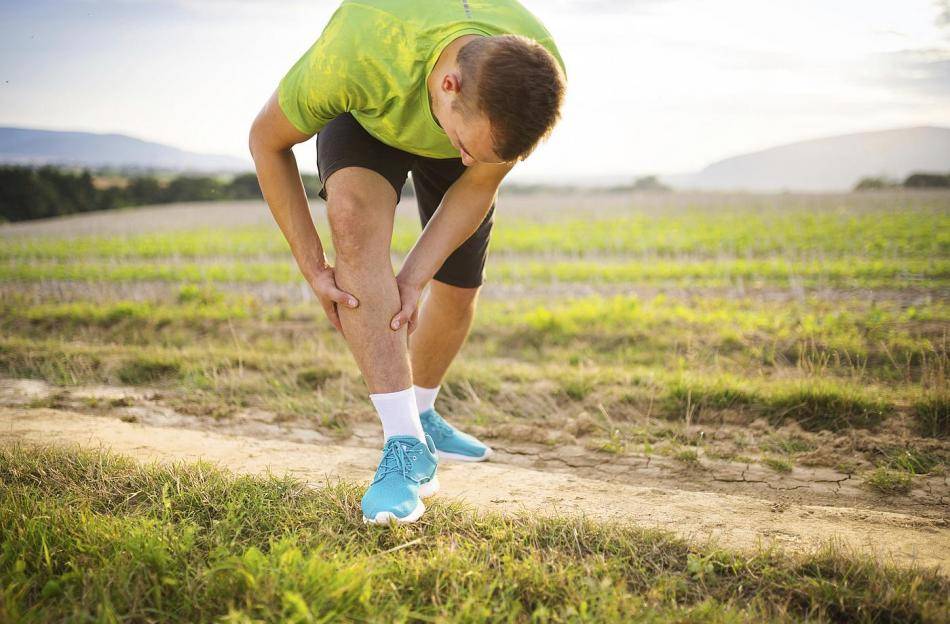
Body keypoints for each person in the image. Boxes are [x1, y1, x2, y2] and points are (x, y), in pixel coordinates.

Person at [249, 0, 567, 524]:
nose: (468, 159)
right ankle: (405, 444)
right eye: (468, 145)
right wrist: (313, 265)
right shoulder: (358, 48)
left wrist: (415, 277)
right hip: (371, 115)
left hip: (461, 120)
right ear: (449, 85)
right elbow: (265, 141)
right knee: (353, 221)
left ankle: (420, 411)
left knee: (458, 287)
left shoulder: (534, 75)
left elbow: (478, 178)